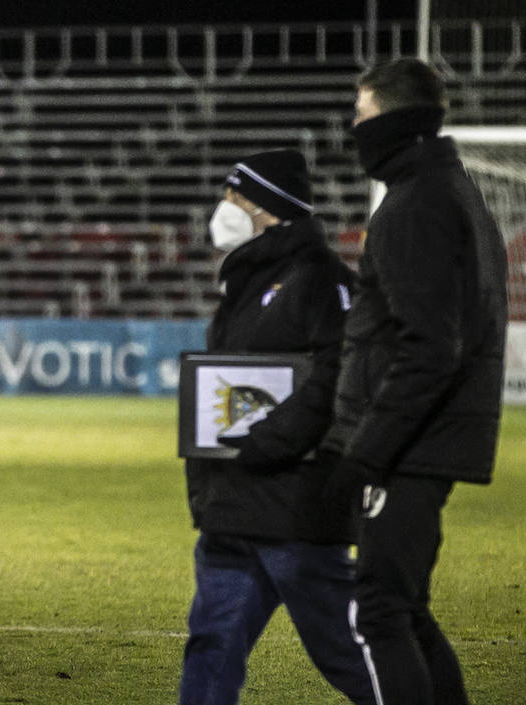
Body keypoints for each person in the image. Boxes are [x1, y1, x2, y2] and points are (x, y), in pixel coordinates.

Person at [321, 58, 507, 705]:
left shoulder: (414, 204)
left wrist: (365, 451)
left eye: (364, 114)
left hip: (411, 445)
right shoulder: (449, 191)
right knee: (406, 607)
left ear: (398, 119)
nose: (354, 127)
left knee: (379, 612)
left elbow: (429, 347)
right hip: (433, 438)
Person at [179, 150, 375, 705]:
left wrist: (266, 443)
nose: (223, 208)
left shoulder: (322, 280)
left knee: (350, 655)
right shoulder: (246, 281)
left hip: (295, 509)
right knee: (211, 649)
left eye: (234, 197)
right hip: (234, 507)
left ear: (265, 206)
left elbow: (337, 379)